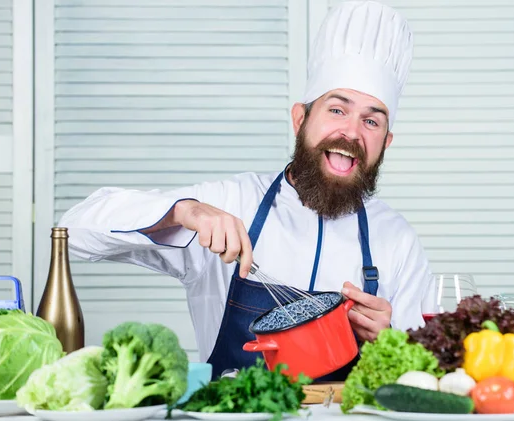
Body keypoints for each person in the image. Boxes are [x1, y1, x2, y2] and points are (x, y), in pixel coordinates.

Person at [59, 0, 435, 380]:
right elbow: (73, 234)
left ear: (385, 144)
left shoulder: (397, 241)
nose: (352, 132)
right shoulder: (231, 203)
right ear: (300, 120)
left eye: (371, 121)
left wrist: (390, 340)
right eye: (337, 110)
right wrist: (182, 211)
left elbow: (426, 380)